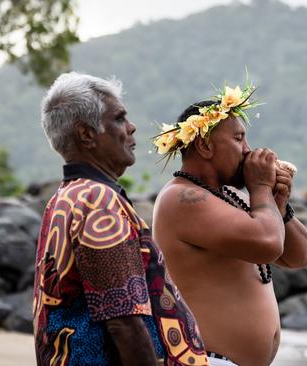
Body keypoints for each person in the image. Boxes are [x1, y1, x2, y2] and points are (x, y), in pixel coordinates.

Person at [33, 72, 209, 366]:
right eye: (119, 119)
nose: (131, 127)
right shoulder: (98, 201)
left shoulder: (64, 198)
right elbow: (123, 322)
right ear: (87, 134)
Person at [152, 84, 307, 366]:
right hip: (206, 360)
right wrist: (262, 187)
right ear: (204, 145)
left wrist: (279, 203)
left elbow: (300, 257)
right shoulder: (181, 198)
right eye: (239, 139)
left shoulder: (231, 197)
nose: (248, 150)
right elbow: (268, 244)